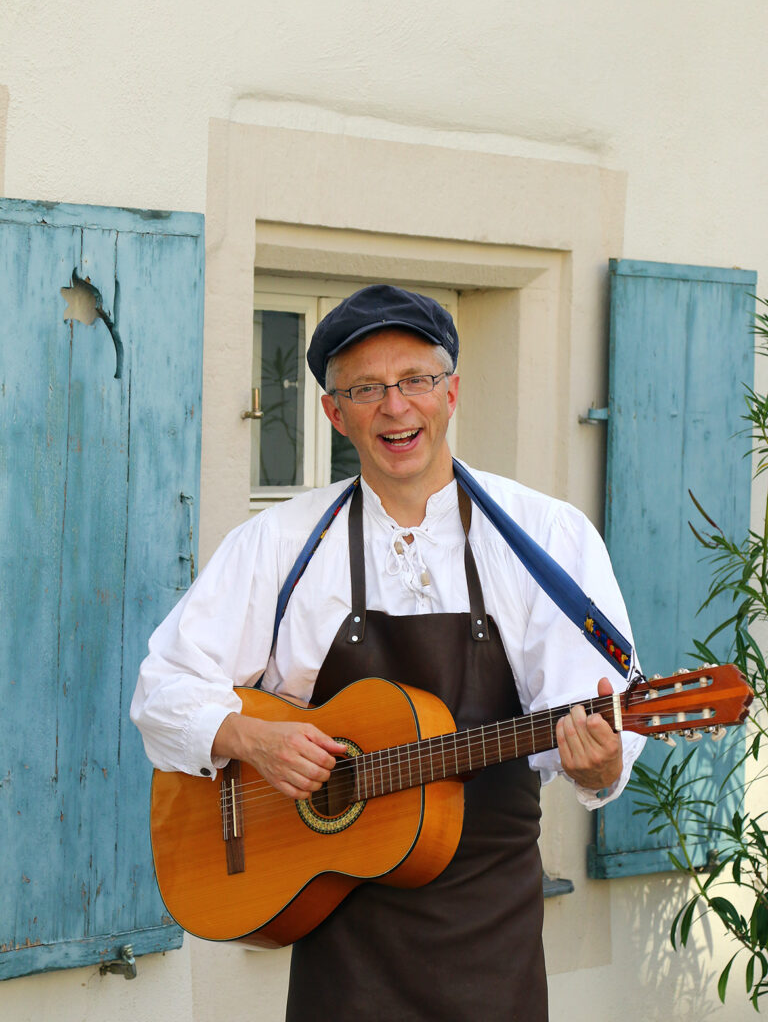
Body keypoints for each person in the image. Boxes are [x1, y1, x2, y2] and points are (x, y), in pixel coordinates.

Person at [131, 284, 644, 1021]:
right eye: (366, 389)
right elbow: (163, 689)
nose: (395, 407)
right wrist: (253, 739)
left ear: (452, 392)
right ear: (333, 413)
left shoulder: (548, 540)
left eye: (416, 381)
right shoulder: (278, 545)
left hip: (486, 920)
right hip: (340, 920)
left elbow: (598, 735)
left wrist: (600, 762)